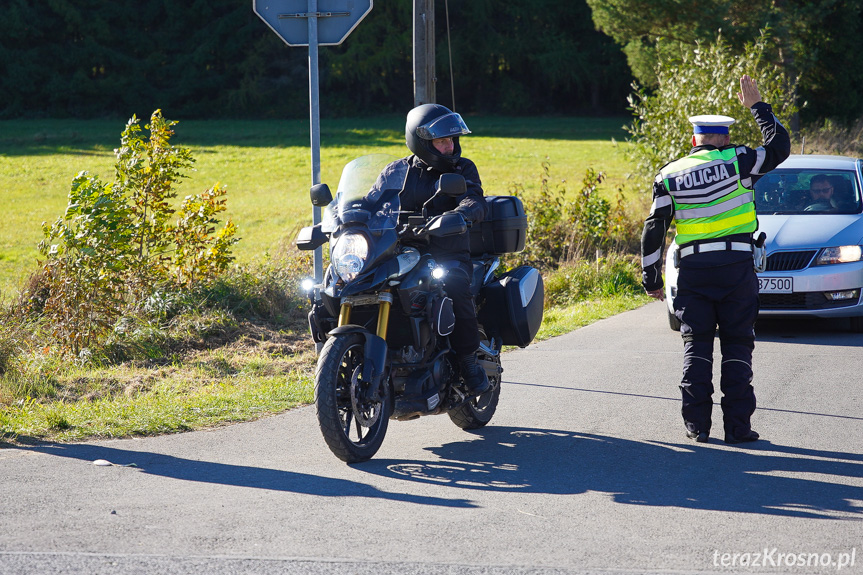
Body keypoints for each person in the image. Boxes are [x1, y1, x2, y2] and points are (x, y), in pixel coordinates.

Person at [641, 75, 791, 444]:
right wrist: (758, 107)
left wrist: (651, 279)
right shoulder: (740, 160)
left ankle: (697, 427)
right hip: (736, 270)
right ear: (723, 139)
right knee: (738, 346)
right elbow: (779, 147)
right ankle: (738, 429)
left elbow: (653, 229)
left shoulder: (669, 174)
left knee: (697, 347)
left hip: (693, 272)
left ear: (694, 140)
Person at [377, 103, 490, 394]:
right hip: (401, 254)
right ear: (422, 142)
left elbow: (474, 199)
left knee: (453, 284)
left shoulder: (462, 168)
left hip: (446, 252)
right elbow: (372, 204)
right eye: (442, 141)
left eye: (452, 140)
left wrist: (462, 214)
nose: (450, 146)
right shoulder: (395, 171)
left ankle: (468, 362)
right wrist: (347, 218)